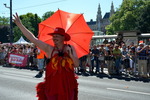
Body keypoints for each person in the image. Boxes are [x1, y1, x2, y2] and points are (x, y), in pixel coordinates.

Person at [13, 13, 79, 100]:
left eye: (57, 36)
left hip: (68, 86)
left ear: (63, 37)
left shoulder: (70, 48)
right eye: (53, 36)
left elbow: (77, 64)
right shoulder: (49, 49)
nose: (54, 37)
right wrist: (20, 25)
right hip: (52, 86)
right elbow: (33, 39)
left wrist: (70, 54)